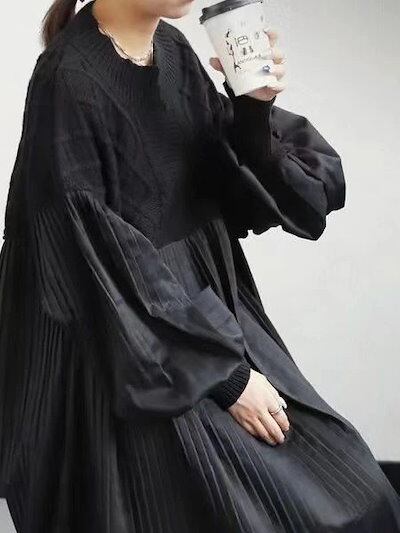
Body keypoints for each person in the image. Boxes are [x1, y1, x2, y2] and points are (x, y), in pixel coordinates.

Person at [0, 0, 399, 531]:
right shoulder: (67, 81)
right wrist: (227, 379)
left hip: (200, 323)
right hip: (137, 354)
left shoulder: (170, 48)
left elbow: (224, 182)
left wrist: (253, 107)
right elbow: (91, 262)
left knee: (359, 494)